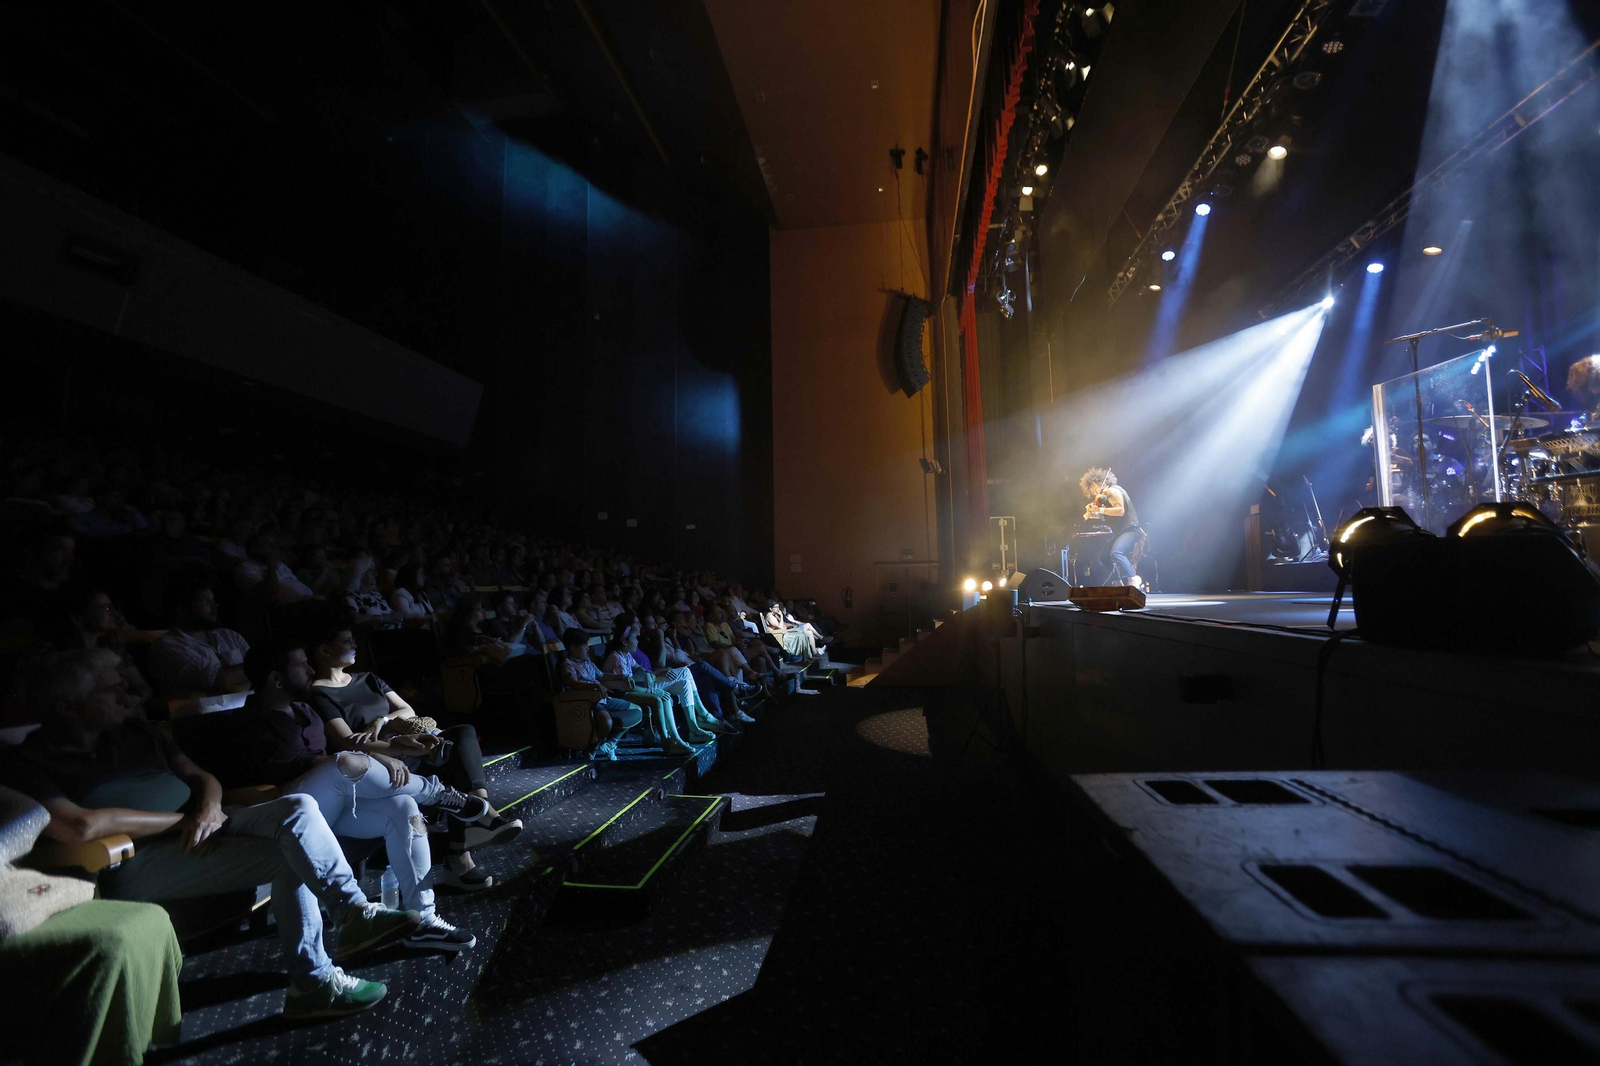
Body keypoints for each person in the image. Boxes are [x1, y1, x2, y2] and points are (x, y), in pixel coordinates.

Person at [0, 648, 420, 1018]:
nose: (127, 696)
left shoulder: (136, 730)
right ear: (70, 705)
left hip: (205, 826)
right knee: (294, 850)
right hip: (135, 858)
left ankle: (351, 918)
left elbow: (202, 776)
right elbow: (80, 825)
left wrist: (208, 806)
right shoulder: (27, 761)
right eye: (112, 690)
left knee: (299, 808)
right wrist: (188, 822)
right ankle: (316, 981)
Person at [234, 641, 492, 951]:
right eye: (302, 665)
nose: (311, 670)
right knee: (344, 762)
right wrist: (371, 756)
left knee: (404, 806)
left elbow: (344, 752)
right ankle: (441, 794)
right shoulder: (248, 722)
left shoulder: (304, 710)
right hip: (290, 808)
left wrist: (395, 748)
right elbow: (284, 774)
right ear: (277, 678)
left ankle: (424, 920)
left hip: (334, 802)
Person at [306, 624, 521, 890]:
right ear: (324, 650)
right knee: (452, 761)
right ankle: (468, 843)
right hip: (379, 761)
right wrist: (394, 743)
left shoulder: (369, 678)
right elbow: (347, 741)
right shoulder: (318, 692)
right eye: (346, 641)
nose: (355, 646)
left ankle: (478, 811)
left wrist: (380, 719)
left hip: (410, 747)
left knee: (462, 735)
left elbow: (406, 710)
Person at [597, 624, 694, 756]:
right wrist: (652, 691)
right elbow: (628, 687)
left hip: (628, 690)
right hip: (619, 694)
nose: (637, 641)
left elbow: (639, 668)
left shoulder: (626, 655)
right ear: (625, 642)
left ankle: (675, 740)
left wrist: (648, 674)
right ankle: (667, 742)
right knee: (657, 699)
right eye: (634, 639)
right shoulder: (616, 658)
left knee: (664, 697)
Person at [146, 576, 250, 699]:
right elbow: (219, 679)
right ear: (182, 609)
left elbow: (261, 670)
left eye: (213, 600)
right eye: (207, 601)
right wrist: (251, 675)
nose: (215, 606)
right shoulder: (167, 647)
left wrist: (241, 684)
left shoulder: (229, 635)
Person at [558, 629, 643, 760]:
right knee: (606, 722)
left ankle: (610, 743)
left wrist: (623, 676)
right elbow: (573, 684)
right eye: (585, 645)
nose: (588, 648)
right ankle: (592, 748)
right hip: (588, 701)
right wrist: (596, 685)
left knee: (636, 710)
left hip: (603, 698)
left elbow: (601, 675)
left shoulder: (586, 660)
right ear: (573, 647)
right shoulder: (567, 665)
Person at [1078, 466, 1143, 588]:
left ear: (1100, 481)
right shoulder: (1105, 499)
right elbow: (1109, 514)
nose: (1093, 490)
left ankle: (1133, 581)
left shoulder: (1113, 491)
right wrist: (1093, 513)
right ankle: (1118, 585)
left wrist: (1100, 510)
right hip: (1121, 532)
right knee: (1104, 557)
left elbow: (1120, 511)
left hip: (1131, 530)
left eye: (1093, 486)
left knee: (1116, 552)